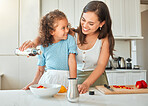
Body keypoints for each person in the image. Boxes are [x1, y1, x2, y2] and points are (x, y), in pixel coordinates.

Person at [20, 1, 114, 94]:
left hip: (98, 82)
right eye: (83, 20)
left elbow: (101, 66)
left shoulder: (105, 39)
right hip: (75, 81)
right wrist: (34, 43)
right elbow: (49, 35)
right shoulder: (72, 34)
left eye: (91, 23)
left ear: (101, 23)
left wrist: (86, 84)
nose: (84, 26)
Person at [22, 9, 77, 90]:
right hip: (48, 81)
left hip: (66, 79)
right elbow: (40, 70)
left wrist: (73, 82)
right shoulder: (44, 45)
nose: (67, 30)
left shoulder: (69, 40)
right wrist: (34, 82)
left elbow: (72, 61)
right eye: (63, 28)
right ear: (51, 31)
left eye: (67, 26)